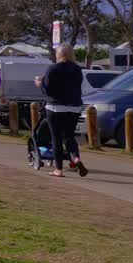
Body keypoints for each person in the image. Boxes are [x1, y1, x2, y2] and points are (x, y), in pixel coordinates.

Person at [35, 45, 86, 178]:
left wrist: (40, 84)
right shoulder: (77, 69)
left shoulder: (53, 68)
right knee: (69, 136)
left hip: (56, 107)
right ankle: (76, 159)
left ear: (58, 54)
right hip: (74, 107)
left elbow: (47, 90)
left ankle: (59, 169)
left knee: (56, 138)